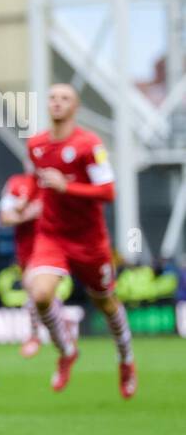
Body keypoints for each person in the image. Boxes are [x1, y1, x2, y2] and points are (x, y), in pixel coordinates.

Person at [25, 83, 135, 398]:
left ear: (75, 107)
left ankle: (126, 359)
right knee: (41, 294)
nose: (57, 103)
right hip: (52, 235)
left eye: (65, 98)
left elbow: (108, 192)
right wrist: (28, 201)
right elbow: (38, 181)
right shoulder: (36, 144)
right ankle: (66, 350)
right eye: (53, 98)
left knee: (105, 302)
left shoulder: (89, 145)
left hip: (89, 240)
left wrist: (66, 187)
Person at [0, 169, 44, 357]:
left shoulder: (54, 182)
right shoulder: (16, 183)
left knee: (33, 284)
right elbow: (5, 217)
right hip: (25, 249)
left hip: (50, 245)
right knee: (35, 292)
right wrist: (28, 213)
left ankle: (34, 336)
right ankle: (54, 332)